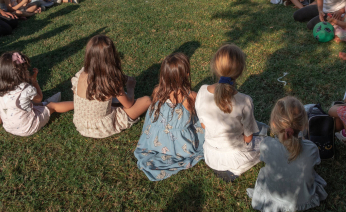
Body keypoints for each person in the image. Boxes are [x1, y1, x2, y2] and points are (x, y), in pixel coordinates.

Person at [195, 44, 268, 182]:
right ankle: (234, 169)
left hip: (210, 154)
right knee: (268, 143)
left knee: (260, 128)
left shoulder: (202, 91)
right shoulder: (244, 100)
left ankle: (224, 167)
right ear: (240, 71)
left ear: (215, 68)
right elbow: (248, 138)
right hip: (234, 156)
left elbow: (204, 126)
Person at [247, 96, 327, 211]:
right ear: (303, 125)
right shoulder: (312, 148)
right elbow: (314, 163)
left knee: (264, 172)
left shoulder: (266, 145)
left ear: (274, 124)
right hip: (302, 200)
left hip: (273, 199)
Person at [134, 53, 205, 181]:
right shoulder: (190, 96)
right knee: (201, 125)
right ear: (187, 74)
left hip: (156, 140)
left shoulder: (157, 91)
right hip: (179, 144)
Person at [71, 35, 151, 139]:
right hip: (101, 128)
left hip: (81, 124)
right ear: (112, 56)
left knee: (109, 100)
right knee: (146, 100)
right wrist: (131, 88)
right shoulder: (111, 81)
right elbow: (129, 104)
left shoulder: (80, 75)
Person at [0, 52, 73, 136]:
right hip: (29, 127)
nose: (28, 71)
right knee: (52, 106)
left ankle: (43, 106)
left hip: (9, 128)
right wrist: (34, 82)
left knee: (28, 104)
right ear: (20, 74)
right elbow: (39, 98)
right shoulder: (26, 89)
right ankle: (79, 104)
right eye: (26, 70)